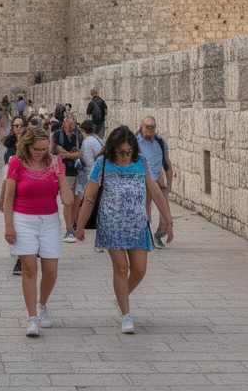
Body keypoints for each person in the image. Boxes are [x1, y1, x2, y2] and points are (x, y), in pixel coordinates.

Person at [75, 125, 175, 333]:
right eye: (120, 151)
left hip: (137, 224)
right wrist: (80, 225)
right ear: (112, 148)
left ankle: (122, 296)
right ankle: (126, 315)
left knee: (139, 270)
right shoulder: (102, 164)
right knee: (121, 268)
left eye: (128, 152)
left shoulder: (141, 163)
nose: (124, 156)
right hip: (111, 223)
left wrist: (169, 220)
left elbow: (156, 193)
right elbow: (89, 196)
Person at [1, 124, 71, 336]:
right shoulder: (16, 163)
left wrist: (60, 176)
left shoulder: (56, 163)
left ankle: (42, 304)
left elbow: (67, 200)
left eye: (44, 149)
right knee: (30, 269)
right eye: (37, 149)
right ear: (28, 146)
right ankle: (32, 317)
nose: (41, 153)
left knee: (50, 270)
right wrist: (9, 225)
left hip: (49, 220)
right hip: (23, 219)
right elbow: (9, 197)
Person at [139, 116, 175, 248]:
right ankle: (147, 236)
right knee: (146, 207)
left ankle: (159, 234)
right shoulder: (136, 142)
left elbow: (167, 162)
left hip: (158, 177)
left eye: (152, 127)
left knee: (165, 211)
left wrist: (169, 182)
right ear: (141, 126)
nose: (149, 130)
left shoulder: (160, 141)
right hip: (144, 178)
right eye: (147, 127)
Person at [0, 116, 27, 275]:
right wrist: (2, 196)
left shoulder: (32, 144)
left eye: (20, 125)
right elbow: (7, 172)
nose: (18, 128)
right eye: (15, 126)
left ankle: (21, 258)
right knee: (16, 221)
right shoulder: (10, 145)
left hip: (27, 187)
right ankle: (19, 257)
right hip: (13, 187)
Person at [52, 115, 82, 242]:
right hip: (65, 170)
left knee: (76, 200)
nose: (70, 126)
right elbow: (57, 149)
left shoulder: (78, 135)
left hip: (78, 170)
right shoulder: (58, 134)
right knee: (68, 201)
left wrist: (66, 155)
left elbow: (80, 153)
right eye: (68, 123)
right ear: (64, 123)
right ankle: (69, 228)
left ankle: (73, 225)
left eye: (72, 123)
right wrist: (72, 155)